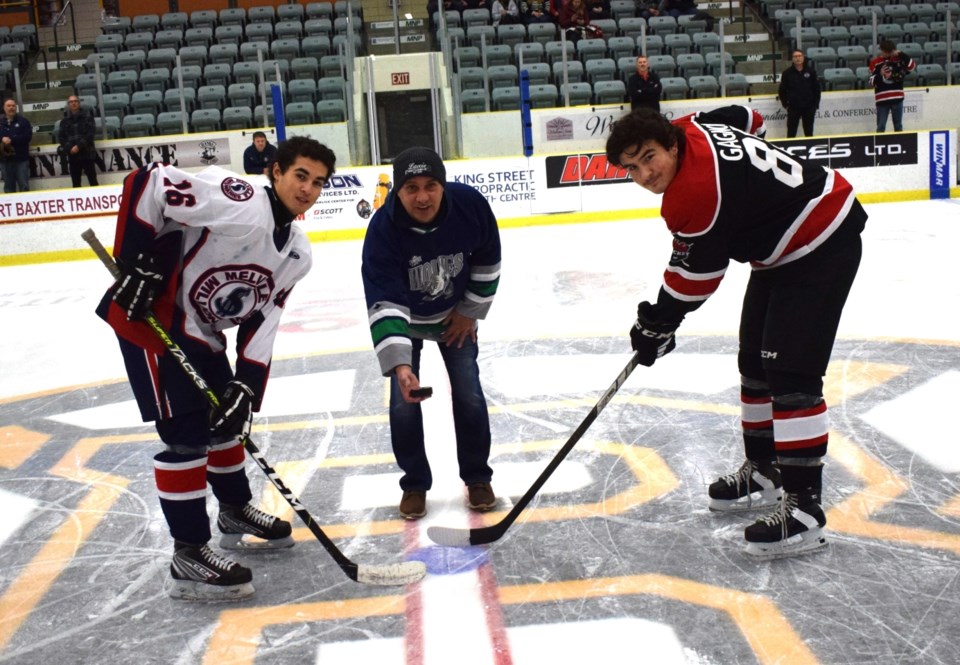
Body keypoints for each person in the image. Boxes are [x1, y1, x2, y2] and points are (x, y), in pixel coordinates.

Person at [605, 106, 867, 560]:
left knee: (791, 376)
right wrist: (757, 195)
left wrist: (657, 322)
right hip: (781, 249)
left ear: (670, 145)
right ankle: (764, 472)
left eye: (650, 158)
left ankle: (805, 511)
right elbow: (748, 117)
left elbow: (698, 277)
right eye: (632, 168)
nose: (645, 174)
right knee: (754, 364)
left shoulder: (693, 192)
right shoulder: (692, 126)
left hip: (822, 239)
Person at [95, 136, 336, 600]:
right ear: (276, 173)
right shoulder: (240, 202)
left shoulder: (298, 254)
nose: (307, 189)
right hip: (153, 317)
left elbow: (265, 316)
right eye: (300, 176)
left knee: (227, 418)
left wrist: (247, 383)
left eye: (318, 183)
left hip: (201, 332)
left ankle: (234, 510)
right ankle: (188, 554)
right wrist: (135, 263)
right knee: (186, 435)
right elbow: (151, 182)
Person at [361, 147, 501, 521]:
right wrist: (400, 364)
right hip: (405, 323)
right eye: (411, 188)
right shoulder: (383, 229)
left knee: (469, 394)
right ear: (398, 192)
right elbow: (383, 296)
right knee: (403, 404)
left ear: (443, 185)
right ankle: (415, 484)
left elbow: (488, 257)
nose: (422, 197)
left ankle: (477, 478)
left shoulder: (470, 206)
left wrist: (469, 313)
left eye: (431, 185)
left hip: (456, 319)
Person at [868, 40, 916, 133]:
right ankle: (879, 146)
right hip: (882, 100)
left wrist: (901, 54)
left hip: (897, 98)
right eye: (885, 51)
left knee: (898, 126)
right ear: (881, 50)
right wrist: (880, 74)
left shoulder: (899, 59)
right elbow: (870, 82)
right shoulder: (875, 63)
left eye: (889, 51)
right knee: (881, 127)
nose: (887, 54)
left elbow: (912, 66)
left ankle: (900, 145)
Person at [58, 95, 99, 187]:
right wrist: (70, 148)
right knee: (76, 184)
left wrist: (78, 146)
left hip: (87, 155)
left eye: (75, 101)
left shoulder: (88, 117)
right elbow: (61, 138)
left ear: (79, 103)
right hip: (73, 157)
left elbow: (90, 135)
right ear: (68, 105)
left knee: (93, 182)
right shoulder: (64, 121)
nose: (73, 103)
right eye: (71, 102)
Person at [778, 49, 820, 138]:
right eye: (795, 56)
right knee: (791, 132)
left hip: (809, 107)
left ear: (803, 58)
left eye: (800, 56)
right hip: (793, 107)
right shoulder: (787, 73)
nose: (798, 58)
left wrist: (815, 104)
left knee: (809, 131)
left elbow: (817, 89)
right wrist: (785, 104)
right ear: (792, 59)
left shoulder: (811, 72)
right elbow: (782, 91)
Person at [0, 98, 32, 193]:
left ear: (16, 107)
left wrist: (12, 139)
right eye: (8, 106)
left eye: (13, 106)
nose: (11, 108)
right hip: (5, 161)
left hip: (21, 160)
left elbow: (27, 137)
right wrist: (2, 139)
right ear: (4, 108)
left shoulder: (23, 122)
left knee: (24, 187)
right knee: (9, 188)